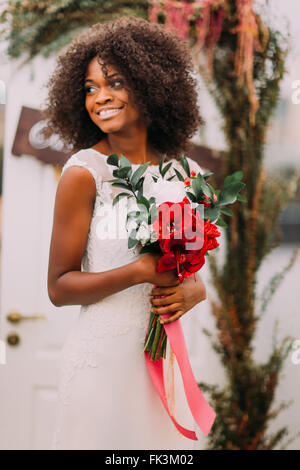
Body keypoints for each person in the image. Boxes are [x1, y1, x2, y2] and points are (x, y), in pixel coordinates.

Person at [44, 15, 207, 450]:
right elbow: (59, 288)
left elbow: (187, 265)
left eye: (114, 82)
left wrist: (196, 290)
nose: (100, 98)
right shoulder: (84, 174)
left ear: (152, 84)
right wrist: (139, 272)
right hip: (102, 364)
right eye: (90, 88)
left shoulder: (185, 172)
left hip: (163, 360)